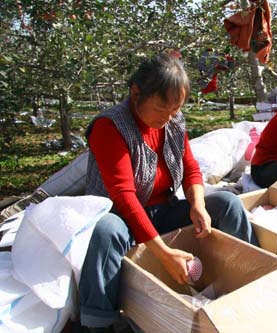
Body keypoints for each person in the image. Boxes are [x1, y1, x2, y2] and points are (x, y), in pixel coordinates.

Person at [80, 54, 258, 332]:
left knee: (226, 202)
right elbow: (124, 196)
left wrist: (197, 204)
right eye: (162, 108)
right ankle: (98, 322)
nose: (168, 117)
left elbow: (190, 168)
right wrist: (164, 254)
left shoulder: (174, 122)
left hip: (162, 210)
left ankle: (252, 279)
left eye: (175, 109)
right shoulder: (110, 126)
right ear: (136, 93)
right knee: (105, 231)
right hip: (122, 216)